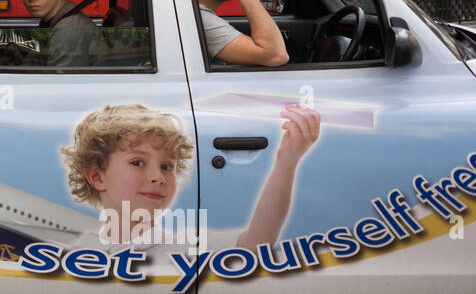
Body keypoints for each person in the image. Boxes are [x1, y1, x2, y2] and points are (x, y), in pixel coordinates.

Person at [62, 102, 321, 248]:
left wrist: (287, 162)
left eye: (167, 166)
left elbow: (256, 243)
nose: (158, 177)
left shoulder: (183, 245)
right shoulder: (81, 250)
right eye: (138, 162)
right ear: (96, 177)